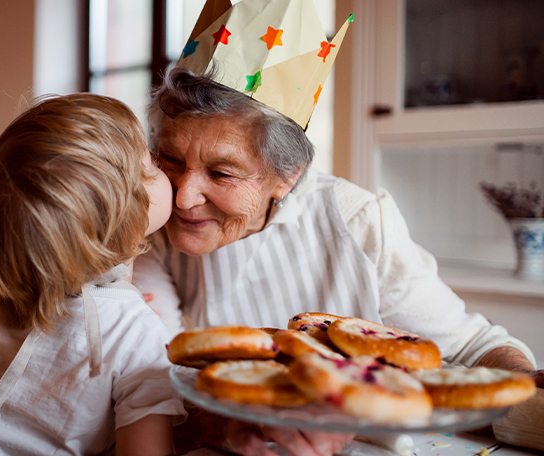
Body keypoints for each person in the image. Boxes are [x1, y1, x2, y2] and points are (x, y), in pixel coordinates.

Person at [132, 67, 543, 456]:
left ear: (288, 174)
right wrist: (219, 427)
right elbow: (146, 380)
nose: (184, 196)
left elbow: (473, 348)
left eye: (221, 174)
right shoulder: (150, 222)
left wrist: (525, 385)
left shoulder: (356, 220)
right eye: (169, 159)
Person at [0, 93, 184, 456]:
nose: (165, 169)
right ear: (129, 218)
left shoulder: (6, 298)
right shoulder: (137, 337)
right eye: (152, 165)